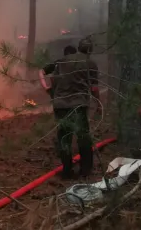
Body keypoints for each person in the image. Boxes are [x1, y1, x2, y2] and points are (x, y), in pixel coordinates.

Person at [40, 39, 100, 179]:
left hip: (60, 105)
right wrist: (98, 104)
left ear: (79, 48)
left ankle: (67, 171)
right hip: (78, 105)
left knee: (64, 138)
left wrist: (47, 89)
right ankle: (85, 171)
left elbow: (44, 72)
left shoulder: (62, 60)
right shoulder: (90, 63)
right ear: (90, 50)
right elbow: (94, 88)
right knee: (83, 137)